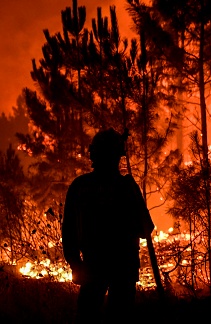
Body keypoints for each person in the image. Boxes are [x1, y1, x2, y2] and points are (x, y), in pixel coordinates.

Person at [62, 128, 155, 323]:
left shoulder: (80, 186)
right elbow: (145, 229)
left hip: (95, 266)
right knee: (119, 320)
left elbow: (69, 232)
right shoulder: (126, 187)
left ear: (94, 154)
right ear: (118, 157)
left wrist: (75, 263)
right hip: (121, 267)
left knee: (88, 318)